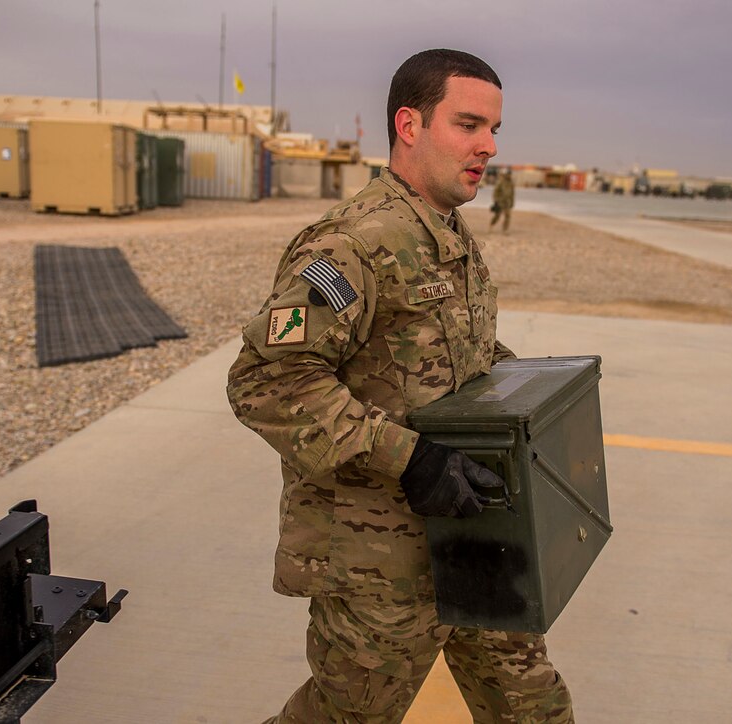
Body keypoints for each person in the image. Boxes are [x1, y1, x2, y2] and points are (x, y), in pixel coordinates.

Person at [226, 49, 573, 723]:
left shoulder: (444, 231)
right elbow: (267, 381)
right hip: (380, 564)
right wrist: (409, 457)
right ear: (409, 125)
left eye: (493, 129)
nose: (489, 147)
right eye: (468, 125)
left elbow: (458, 356)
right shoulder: (352, 243)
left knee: (531, 705)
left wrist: (528, 391)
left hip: (473, 534)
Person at [490, 168, 515, 233]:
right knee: (497, 216)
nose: (509, 176)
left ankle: (505, 229)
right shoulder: (501, 182)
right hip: (500, 202)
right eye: (508, 174)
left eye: (510, 174)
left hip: (507, 202)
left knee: (507, 216)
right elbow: (495, 192)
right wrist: (496, 200)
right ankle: (491, 226)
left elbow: (512, 193)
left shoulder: (511, 183)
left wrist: (512, 202)